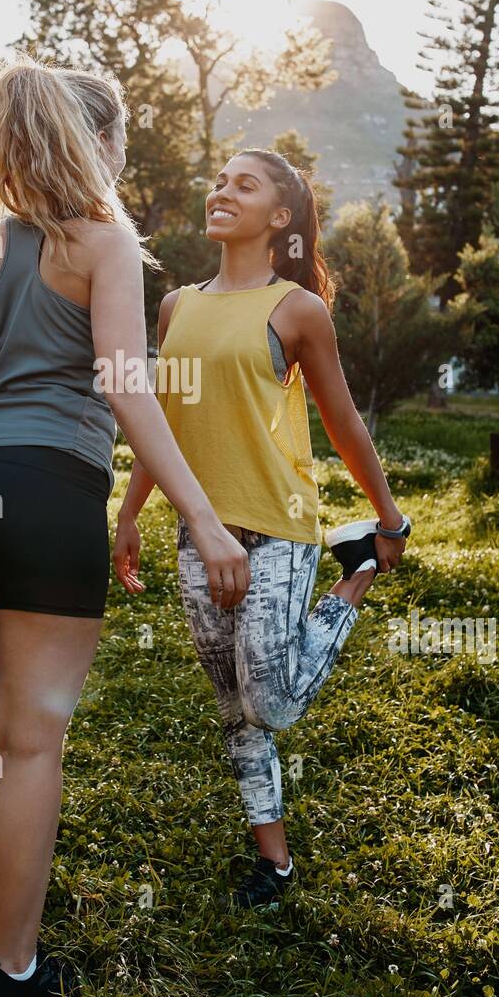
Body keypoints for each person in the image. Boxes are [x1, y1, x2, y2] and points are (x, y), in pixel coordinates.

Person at [0, 54, 250, 997]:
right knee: (31, 749)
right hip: (49, 496)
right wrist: (200, 515)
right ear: (102, 142)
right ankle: (11, 980)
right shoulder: (104, 241)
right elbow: (124, 382)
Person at [112, 149, 411, 909]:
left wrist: (386, 520)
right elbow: (163, 419)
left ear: (280, 218)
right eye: (218, 180)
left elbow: (340, 419)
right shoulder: (176, 305)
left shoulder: (295, 309)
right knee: (233, 709)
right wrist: (130, 511)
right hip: (200, 531)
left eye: (243, 185)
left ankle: (356, 572)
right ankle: (273, 863)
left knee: (272, 702)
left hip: (277, 525)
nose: (221, 191)